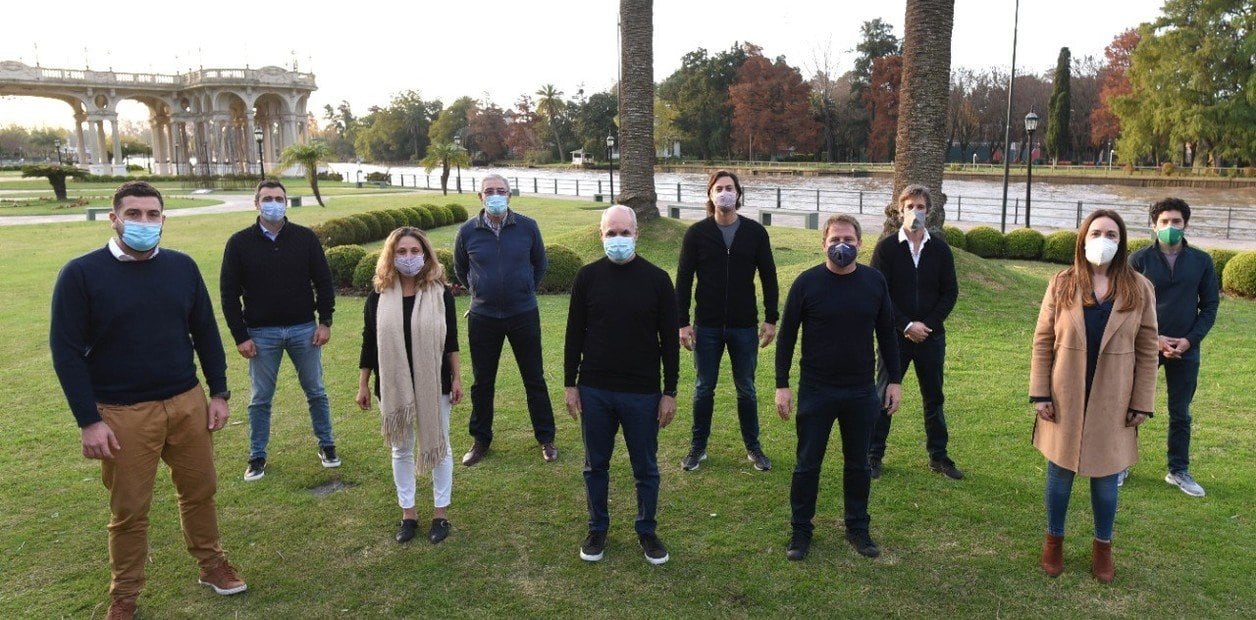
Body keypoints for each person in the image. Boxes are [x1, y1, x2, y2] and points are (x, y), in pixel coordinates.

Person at [50, 181, 246, 620]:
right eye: (133, 214)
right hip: (122, 414)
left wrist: (218, 392)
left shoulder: (182, 267)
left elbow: (206, 333)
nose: (143, 222)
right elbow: (65, 353)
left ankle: (211, 563)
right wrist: (89, 420)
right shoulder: (81, 274)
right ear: (113, 218)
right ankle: (125, 596)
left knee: (201, 492)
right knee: (129, 510)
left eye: (152, 214)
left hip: (186, 402)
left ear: (163, 219)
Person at [1030, 209, 1158, 583]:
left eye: (1112, 234)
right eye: (1097, 232)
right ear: (1083, 239)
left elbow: (1148, 349)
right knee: (1059, 474)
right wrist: (1040, 393)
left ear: (1121, 243)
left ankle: (1103, 547)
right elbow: (1042, 341)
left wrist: (1141, 402)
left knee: (1105, 481)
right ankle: (1054, 541)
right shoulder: (1062, 283)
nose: (1104, 239)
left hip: (1113, 397)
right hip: (1064, 392)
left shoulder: (1139, 288)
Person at [775, 214, 902, 562]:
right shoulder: (806, 283)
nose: (841, 245)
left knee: (858, 464)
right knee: (806, 464)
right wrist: (782, 385)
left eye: (848, 239)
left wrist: (894, 380)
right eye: (834, 240)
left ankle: (857, 528)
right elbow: (786, 338)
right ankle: (801, 529)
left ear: (860, 243)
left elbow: (888, 334)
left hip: (861, 391)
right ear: (824, 244)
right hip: (817, 389)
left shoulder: (875, 282)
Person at [564, 206, 680, 565]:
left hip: (643, 392)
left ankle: (647, 530)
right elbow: (573, 335)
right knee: (595, 465)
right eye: (611, 233)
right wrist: (571, 384)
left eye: (624, 232)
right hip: (595, 388)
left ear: (636, 234)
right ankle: (597, 527)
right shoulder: (587, 277)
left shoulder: (658, 280)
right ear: (601, 235)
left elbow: (669, 343)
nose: (618, 239)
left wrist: (669, 392)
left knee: (645, 467)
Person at [220, 179, 337, 481]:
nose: (274, 203)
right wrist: (240, 336)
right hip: (261, 334)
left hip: (303, 329)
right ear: (256, 203)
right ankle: (257, 455)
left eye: (279, 198)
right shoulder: (239, 243)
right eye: (267, 198)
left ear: (286, 202)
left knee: (316, 391)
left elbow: (323, 281)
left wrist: (325, 321)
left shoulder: (304, 238)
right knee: (260, 398)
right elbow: (228, 294)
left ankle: (327, 445)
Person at [356, 228, 462, 545]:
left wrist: (457, 377)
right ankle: (409, 514)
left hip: (435, 382)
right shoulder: (379, 295)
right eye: (401, 252)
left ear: (426, 255)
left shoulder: (439, 293)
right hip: (393, 384)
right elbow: (369, 342)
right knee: (401, 448)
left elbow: (451, 340)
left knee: (440, 446)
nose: (408, 257)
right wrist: (363, 383)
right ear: (391, 256)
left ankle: (440, 514)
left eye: (415, 251)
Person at [675, 170, 779, 472]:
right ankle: (698, 448)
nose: (724, 193)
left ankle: (754, 448)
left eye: (729, 188)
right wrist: (682, 322)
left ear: (738, 193)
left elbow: (769, 277)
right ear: (710, 194)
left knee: (746, 387)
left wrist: (771, 318)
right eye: (719, 188)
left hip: (744, 325)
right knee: (703, 388)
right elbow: (683, 280)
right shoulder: (696, 234)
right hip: (706, 325)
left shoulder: (755, 233)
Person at [453, 174, 557, 465]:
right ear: (480, 196)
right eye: (489, 191)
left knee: (534, 377)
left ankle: (546, 438)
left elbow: (540, 265)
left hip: (523, 313)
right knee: (483, 382)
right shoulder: (467, 232)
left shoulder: (527, 227)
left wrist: (523, 289)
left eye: (501, 190)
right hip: (483, 317)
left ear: (510, 195)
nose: (495, 195)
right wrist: (479, 292)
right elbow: (461, 269)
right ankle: (480, 440)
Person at [868, 184, 961, 480]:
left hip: (931, 337)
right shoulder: (886, 248)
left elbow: (950, 292)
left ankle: (938, 456)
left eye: (920, 207)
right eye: (910, 207)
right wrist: (906, 324)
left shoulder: (941, 250)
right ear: (899, 210)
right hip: (894, 336)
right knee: (884, 395)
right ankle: (873, 455)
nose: (915, 212)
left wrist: (927, 325)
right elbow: (878, 292)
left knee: (934, 397)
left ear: (929, 212)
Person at [1128, 198, 1219, 497]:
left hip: (1186, 348)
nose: (1170, 227)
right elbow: (1126, 306)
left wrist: (1189, 340)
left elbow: (1209, 306)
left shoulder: (1201, 262)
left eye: (1176, 222)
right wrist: (1154, 339)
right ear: (1154, 225)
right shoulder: (1138, 260)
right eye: (1164, 222)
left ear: (1185, 225)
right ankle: (1119, 463)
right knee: (1128, 406)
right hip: (1145, 346)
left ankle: (1178, 470)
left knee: (1181, 413)